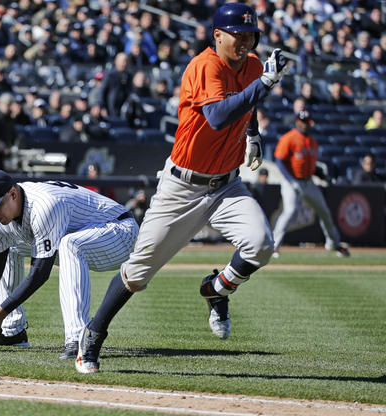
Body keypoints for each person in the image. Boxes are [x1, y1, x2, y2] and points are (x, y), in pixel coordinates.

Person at [75, 3, 289, 374]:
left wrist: (253, 133)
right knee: (138, 273)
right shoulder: (205, 65)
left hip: (227, 185)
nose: (244, 42)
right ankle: (92, 335)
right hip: (182, 188)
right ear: (217, 35)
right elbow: (219, 116)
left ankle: (216, 290)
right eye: (237, 35)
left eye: (250, 36)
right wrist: (264, 86)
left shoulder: (253, 65)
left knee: (262, 244)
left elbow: (245, 108)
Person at [0, 170, 139, 359]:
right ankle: (13, 331)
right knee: (12, 246)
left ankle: (77, 339)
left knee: (70, 244)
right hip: (86, 235)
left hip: (120, 231)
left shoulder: (44, 206)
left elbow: (40, 273)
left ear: (12, 194)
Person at [272, 110, 350, 258]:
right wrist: (290, 180)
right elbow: (279, 161)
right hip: (291, 181)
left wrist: (323, 176)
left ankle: (333, 243)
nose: (305, 124)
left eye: (307, 122)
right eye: (303, 121)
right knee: (290, 211)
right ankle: (274, 246)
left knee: (324, 211)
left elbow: (311, 166)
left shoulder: (312, 141)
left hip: (308, 181)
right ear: (297, 122)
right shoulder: (289, 138)